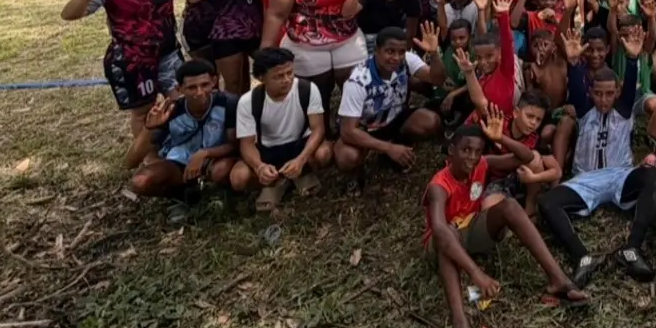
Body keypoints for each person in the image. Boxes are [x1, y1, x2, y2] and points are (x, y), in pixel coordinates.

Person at [425, 117, 590, 328]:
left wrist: (500, 138)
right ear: (451, 150)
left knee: (510, 206)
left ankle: (557, 279)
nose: (472, 157)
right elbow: (438, 231)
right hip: (441, 244)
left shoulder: (482, 163)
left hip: (470, 229)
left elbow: (526, 157)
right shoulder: (439, 185)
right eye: (466, 150)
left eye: (477, 151)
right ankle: (460, 326)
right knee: (448, 233)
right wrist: (477, 274)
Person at [541, 24, 656, 286]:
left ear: (618, 92)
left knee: (653, 178)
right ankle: (582, 257)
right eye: (598, 94)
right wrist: (573, 62)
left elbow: (630, 87)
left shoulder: (624, 109)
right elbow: (577, 89)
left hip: (620, 176)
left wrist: (632, 58)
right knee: (548, 202)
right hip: (586, 180)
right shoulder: (585, 110)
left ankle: (632, 249)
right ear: (590, 93)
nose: (604, 100)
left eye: (610, 94)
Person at [60, 0, 183, 163]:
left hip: (168, 53)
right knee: (144, 111)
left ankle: (177, 144)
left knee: (180, 100)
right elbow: (69, 14)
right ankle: (149, 157)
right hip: (133, 59)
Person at [261, 0, 369, 114]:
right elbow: (276, 14)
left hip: (347, 39)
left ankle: (350, 124)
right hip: (306, 45)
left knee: (354, 88)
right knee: (317, 96)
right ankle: (321, 127)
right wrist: (266, 49)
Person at [335, 26, 445, 175]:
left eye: (401, 52)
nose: (396, 58)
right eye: (390, 51)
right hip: (365, 127)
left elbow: (437, 79)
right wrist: (388, 148)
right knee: (347, 157)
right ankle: (360, 172)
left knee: (430, 121)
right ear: (376, 51)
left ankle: (399, 144)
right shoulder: (358, 81)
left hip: (395, 117)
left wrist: (434, 54)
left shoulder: (407, 60)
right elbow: (348, 131)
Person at [231, 47, 331, 210]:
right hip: (268, 150)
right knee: (238, 178)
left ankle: (302, 172)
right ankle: (277, 180)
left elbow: (318, 129)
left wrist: (301, 159)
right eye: (278, 76)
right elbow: (247, 144)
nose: (286, 80)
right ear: (261, 78)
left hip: (300, 144)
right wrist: (259, 166)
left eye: (290, 73)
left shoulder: (306, 89)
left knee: (324, 153)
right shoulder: (248, 101)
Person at [127, 60, 237, 198]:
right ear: (179, 89)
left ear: (214, 81)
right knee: (140, 182)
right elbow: (130, 162)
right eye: (192, 88)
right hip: (178, 163)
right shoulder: (171, 111)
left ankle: (219, 193)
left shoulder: (229, 103)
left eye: (205, 85)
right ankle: (181, 194)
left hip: (216, 159)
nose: (199, 92)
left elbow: (235, 144)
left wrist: (205, 153)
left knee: (221, 170)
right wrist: (149, 128)